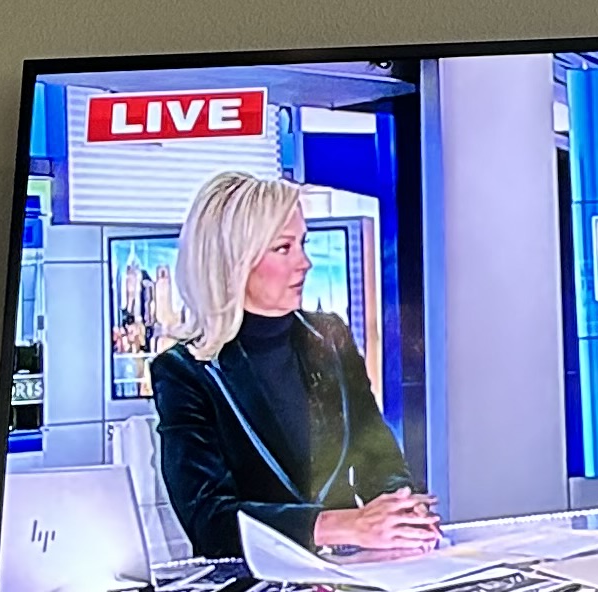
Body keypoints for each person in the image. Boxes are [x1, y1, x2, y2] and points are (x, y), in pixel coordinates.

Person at [150, 168, 442, 559]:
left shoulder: (331, 337)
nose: (305, 263)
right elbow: (209, 521)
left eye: (303, 244)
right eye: (284, 248)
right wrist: (339, 525)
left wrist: (401, 508)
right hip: (260, 577)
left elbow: (377, 455)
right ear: (235, 260)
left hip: (354, 572)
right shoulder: (185, 372)